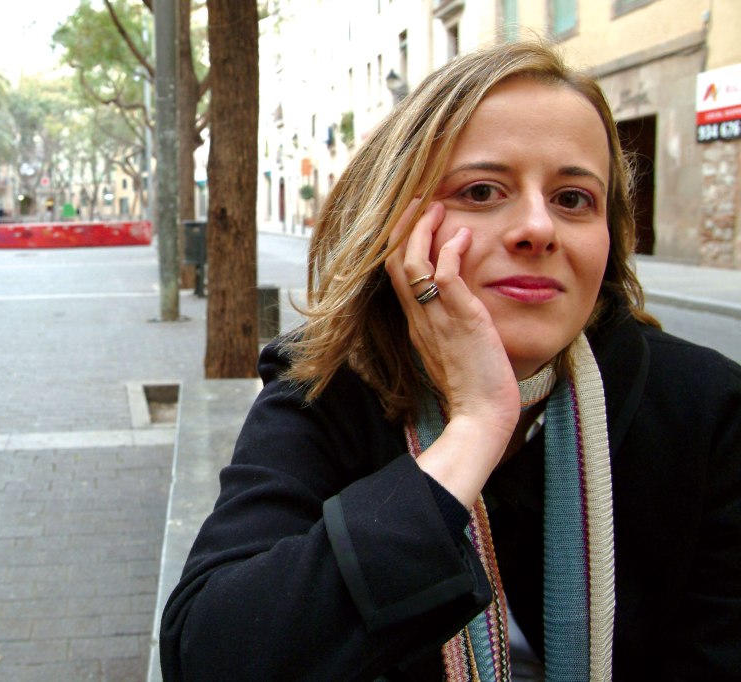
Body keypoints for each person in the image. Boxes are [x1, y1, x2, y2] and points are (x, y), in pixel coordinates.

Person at [160, 40, 741, 680]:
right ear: (396, 223)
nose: (538, 228)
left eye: (574, 199)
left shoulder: (707, 409)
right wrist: (473, 430)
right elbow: (211, 654)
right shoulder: (324, 388)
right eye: (482, 190)